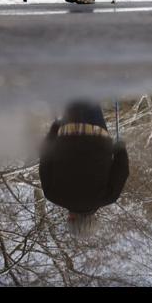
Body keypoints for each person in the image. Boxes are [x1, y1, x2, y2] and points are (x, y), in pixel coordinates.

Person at [39, 100, 128, 235]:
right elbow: (46, 161)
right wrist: (53, 132)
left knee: (90, 98)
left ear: (92, 219)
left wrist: (120, 149)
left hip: (97, 137)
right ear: (72, 220)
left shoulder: (108, 197)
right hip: (68, 135)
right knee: (73, 98)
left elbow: (122, 170)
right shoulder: (53, 195)